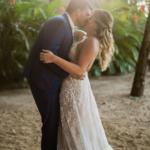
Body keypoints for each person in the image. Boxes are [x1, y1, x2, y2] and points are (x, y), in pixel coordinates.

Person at [22, 0, 93, 149]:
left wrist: (74, 33)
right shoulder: (60, 23)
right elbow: (47, 56)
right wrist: (69, 73)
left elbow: (60, 43)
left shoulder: (64, 24)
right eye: (87, 14)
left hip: (48, 81)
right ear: (78, 11)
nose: (88, 17)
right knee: (51, 127)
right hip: (44, 82)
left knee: (52, 125)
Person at [40, 9, 115, 150]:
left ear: (97, 25)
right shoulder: (87, 38)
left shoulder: (92, 42)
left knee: (76, 130)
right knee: (70, 129)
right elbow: (68, 31)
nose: (88, 18)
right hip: (69, 87)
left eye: (91, 18)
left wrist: (53, 58)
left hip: (74, 91)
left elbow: (80, 69)